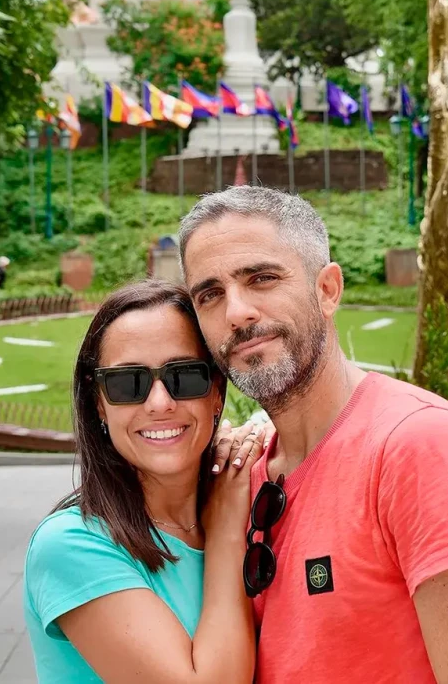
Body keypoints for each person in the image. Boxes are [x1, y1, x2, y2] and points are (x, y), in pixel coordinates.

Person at [179, 186, 448, 684]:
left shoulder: (421, 448)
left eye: (261, 278)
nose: (236, 312)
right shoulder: (247, 474)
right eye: (210, 294)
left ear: (327, 290)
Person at [23, 280, 265, 684]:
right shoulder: (71, 545)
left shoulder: (248, 499)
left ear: (216, 392)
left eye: (184, 377)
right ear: (98, 401)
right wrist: (225, 530)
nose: (159, 402)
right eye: (127, 383)